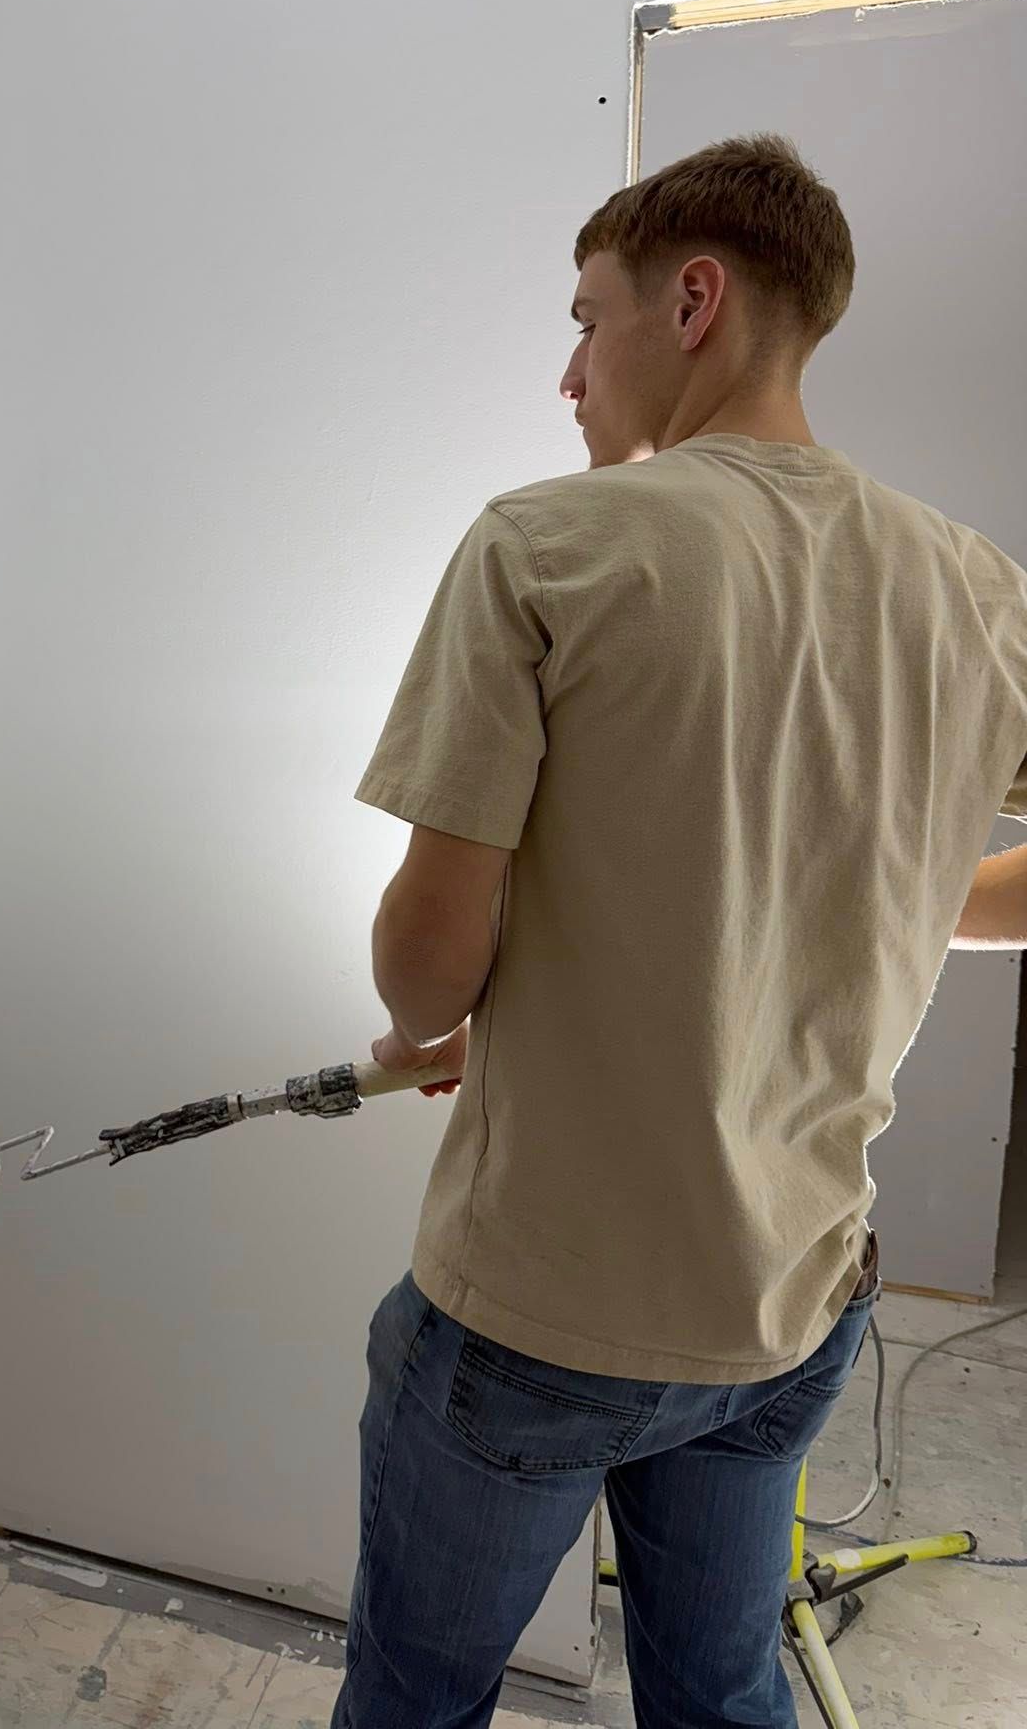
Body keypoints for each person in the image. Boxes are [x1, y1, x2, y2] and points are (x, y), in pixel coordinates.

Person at [332, 134, 1027, 1729]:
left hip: (544, 1310)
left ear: (693, 298)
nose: (571, 370)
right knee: (718, 1687)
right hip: (799, 1293)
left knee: (417, 1698)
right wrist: (910, 899)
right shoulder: (975, 589)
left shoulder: (548, 548)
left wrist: (419, 1024)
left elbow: (430, 963)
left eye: (589, 318)